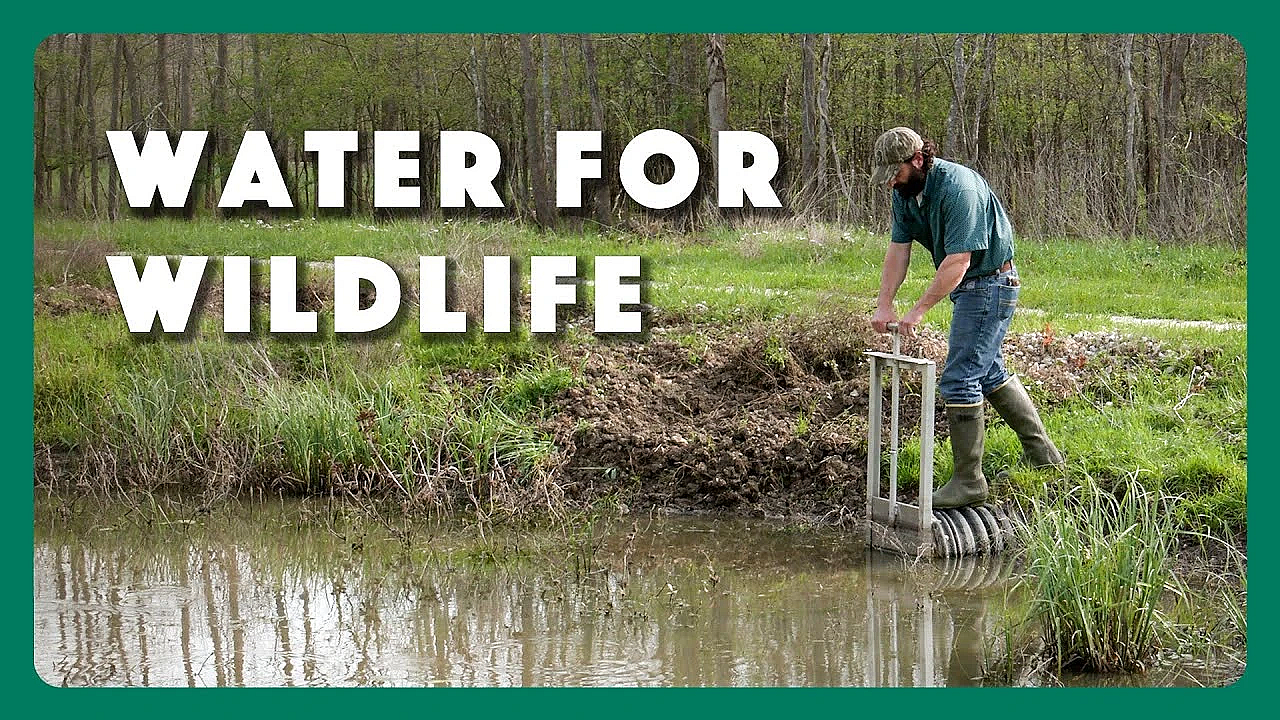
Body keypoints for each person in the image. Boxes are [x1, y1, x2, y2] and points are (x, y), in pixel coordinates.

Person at [868, 127, 1063, 509]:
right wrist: (885, 303)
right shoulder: (905, 194)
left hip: (990, 283)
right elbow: (898, 250)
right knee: (988, 373)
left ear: (919, 160)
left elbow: (959, 262)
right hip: (970, 287)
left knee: (960, 379)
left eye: (896, 172)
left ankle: (969, 481)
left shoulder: (960, 189)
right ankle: (1045, 458)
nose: (890, 181)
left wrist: (918, 311)